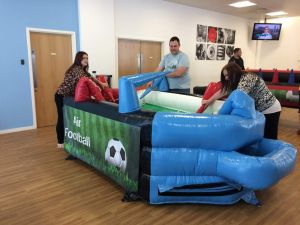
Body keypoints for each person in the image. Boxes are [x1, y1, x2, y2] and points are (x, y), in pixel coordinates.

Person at [202, 63, 281, 139]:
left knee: (269, 136)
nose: (226, 78)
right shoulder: (237, 80)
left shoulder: (247, 79)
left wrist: (219, 114)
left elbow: (237, 99)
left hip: (270, 108)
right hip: (260, 109)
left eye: (227, 75)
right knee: (261, 136)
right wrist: (209, 101)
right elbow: (223, 91)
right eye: (224, 76)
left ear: (234, 73)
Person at [55, 51, 107, 148]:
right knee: (61, 117)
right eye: (84, 58)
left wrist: (101, 84)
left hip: (68, 96)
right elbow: (86, 80)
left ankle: (67, 139)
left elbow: (91, 77)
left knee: (68, 117)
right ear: (79, 59)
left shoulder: (83, 71)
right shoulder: (76, 70)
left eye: (87, 58)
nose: (86, 60)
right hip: (61, 95)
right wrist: (97, 87)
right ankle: (60, 142)